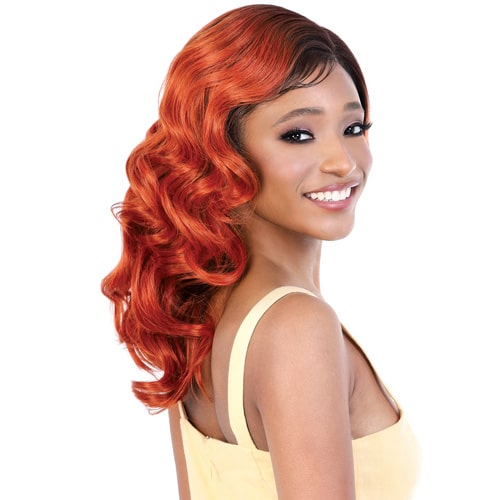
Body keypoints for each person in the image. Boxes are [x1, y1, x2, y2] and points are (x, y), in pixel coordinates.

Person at [102, 4, 421, 499]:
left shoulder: (196, 310)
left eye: (354, 128)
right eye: (298, 135)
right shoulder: (297, 325)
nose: (343, 162)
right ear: (223, 151)